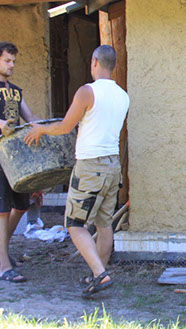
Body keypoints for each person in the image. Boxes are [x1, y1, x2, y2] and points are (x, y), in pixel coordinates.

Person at [24, 45, 129, 297]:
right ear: (113, 65)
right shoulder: (123, 96)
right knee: (104, 224)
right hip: (112, 165)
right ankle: (97, 274)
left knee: (74, 224)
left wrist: (40, 129)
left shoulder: (87, 91)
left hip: (90, 166)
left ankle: (100, 274)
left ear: (94, 62)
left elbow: (65, 126)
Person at [0, 41, 40, 283]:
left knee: (21, 206)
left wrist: (51, 126)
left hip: (16, 160)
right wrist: (0, 124)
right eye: (7, 61)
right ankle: (4, 266)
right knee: (1, 211)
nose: (11, 65)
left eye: (14, 61)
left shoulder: (15, 91)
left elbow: (30, 117)